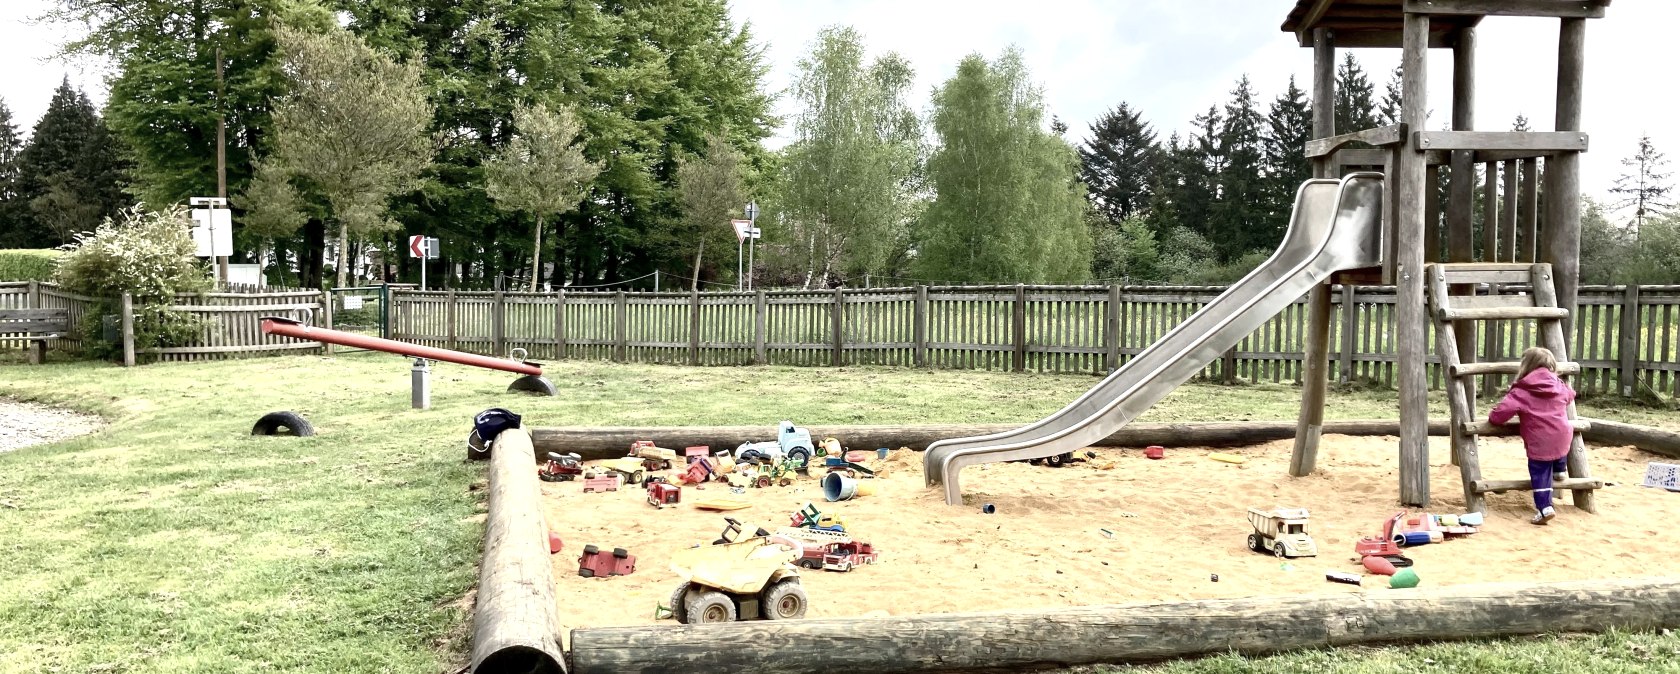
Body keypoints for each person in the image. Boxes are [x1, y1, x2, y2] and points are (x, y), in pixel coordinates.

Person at [1488, 346, 1577, 525]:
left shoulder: (1521, 390)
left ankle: (1545, 508)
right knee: (1559, 448)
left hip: (1540, 441)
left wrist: (1493, 415)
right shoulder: (1559, 385)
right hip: (1563, 435)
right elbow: (1571, 395)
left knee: (1540, 473)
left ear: (1526, 366)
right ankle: (1560, 470)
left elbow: (1502, 414)